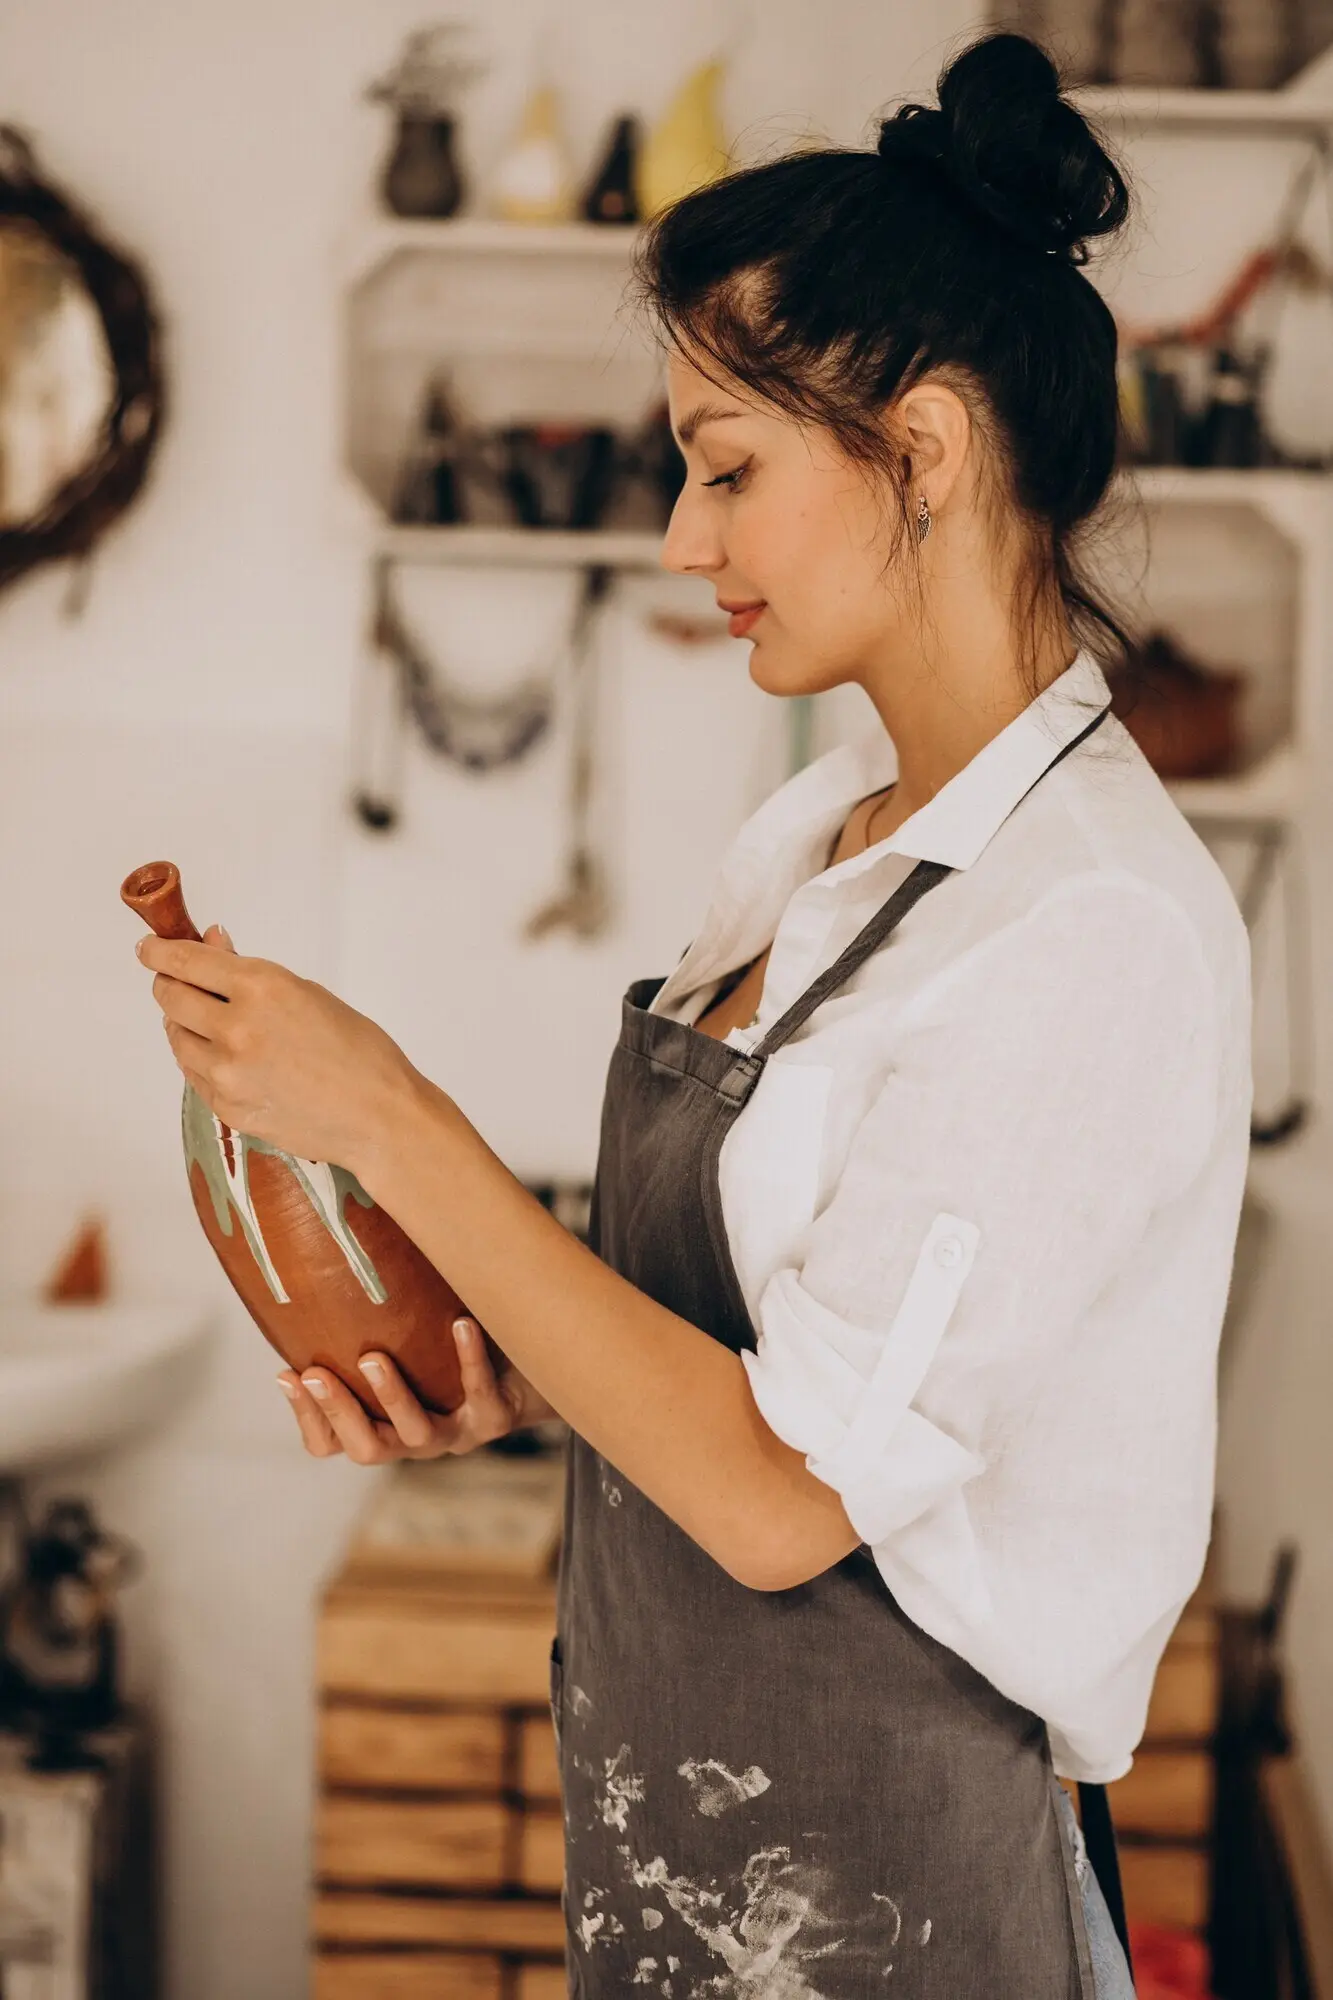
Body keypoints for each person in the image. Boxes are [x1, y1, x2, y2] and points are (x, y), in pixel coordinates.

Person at [137, 30, 1251, 1998]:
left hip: (894, 1903)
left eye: (727, 467)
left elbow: (776, 1501)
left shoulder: (1094, 930)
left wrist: (390, 1115)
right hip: (686, 1858)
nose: (679, 537)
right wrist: (526, 1384)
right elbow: (761, 1366)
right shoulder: (826, 828)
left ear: (923, 449)